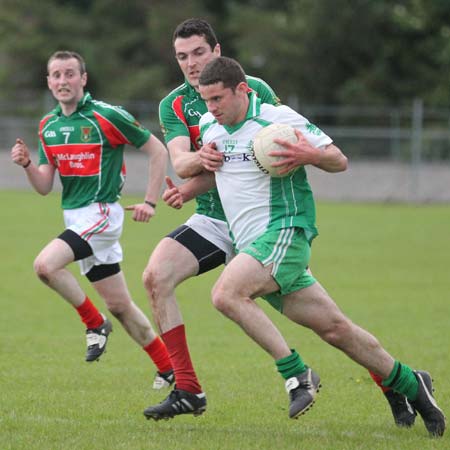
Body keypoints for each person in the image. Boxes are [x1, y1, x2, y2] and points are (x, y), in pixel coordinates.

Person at [142, 19, 415, 427]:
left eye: (199, 52)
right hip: (215, 220)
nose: (191, 63)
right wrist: (193, 177)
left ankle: (391, 382)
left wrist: (307, 156)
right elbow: (180, 161)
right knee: (154, 277)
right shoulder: (176, 105)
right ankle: (187, 389)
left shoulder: (253, 88)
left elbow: (274, 146)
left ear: (217, 51)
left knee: (331, 325)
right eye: (182, 56)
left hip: (268, 222)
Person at [10, 50, 174, 389]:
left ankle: (94, 323)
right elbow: (44, 186)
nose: (62, 81)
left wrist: (150, 201)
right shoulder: (48, 126)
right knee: (121, 305)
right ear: (49, 82)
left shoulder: (106, 116)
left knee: (45, 265)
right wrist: (27, 164)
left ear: (83, 78)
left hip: (101, 215)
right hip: (77, 221)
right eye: (56, 75)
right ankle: (168, 367)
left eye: (70, 74)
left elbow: (158, 150)